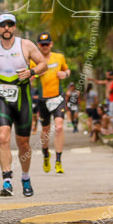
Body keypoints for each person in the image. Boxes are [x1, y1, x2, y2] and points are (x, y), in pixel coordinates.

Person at [0, 13, 47, 198]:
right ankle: (7, 180)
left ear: (14, 27)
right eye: (2, 25)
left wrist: (31, 71)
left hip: (22, 96)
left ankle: (25, 177)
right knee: (3, 137)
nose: (6, 28)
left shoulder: (26, 45)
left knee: (23, 143)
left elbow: (43, 64)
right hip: (2, 97)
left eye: (10, 24)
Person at [31, 32, 71, 174]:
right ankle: (45, 154)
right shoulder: (35, 60)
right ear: (38, 46)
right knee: (46, 131)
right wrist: (35, 74)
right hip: (43, 100)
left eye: (47, 44)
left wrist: (65, 74)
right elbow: (31, 76)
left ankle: (58, 161)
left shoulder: (59, 57)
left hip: (57, 97)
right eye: (42, 45)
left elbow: (67, 70)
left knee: (59, 127)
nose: (45, 47)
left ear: (51, 44)